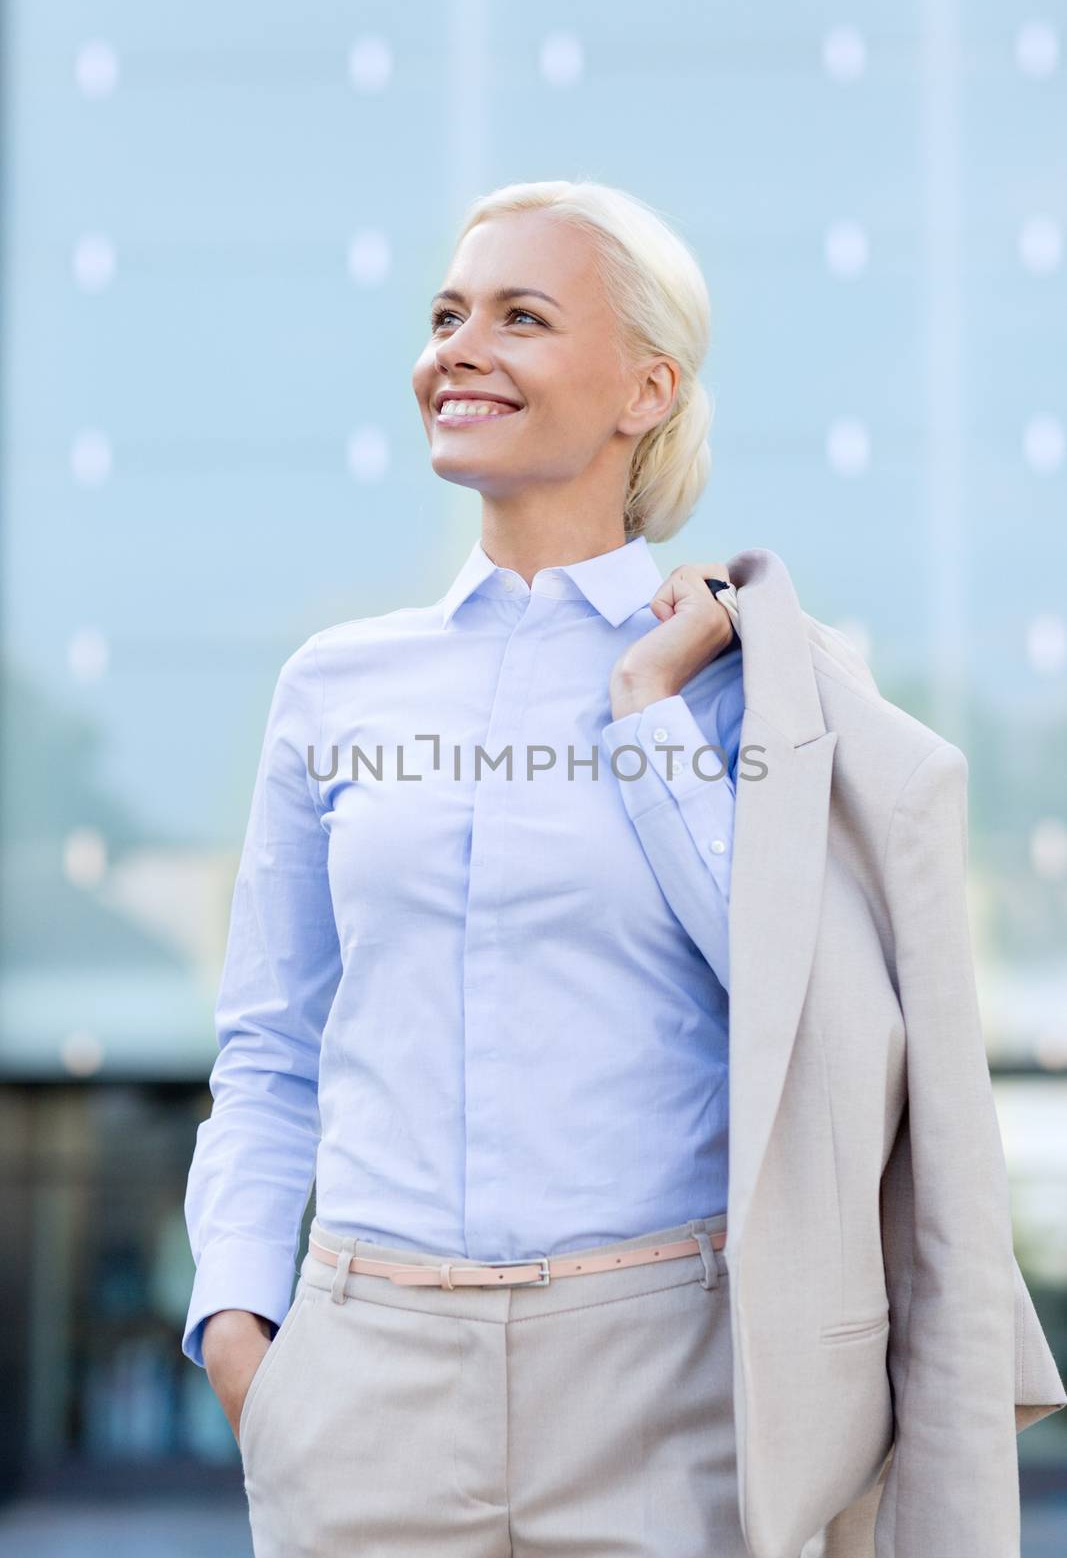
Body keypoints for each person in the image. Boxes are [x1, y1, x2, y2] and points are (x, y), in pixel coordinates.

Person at [181, 179, 1065, 1558]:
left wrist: (651, 711)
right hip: (366, 1388)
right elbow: (269, 1052)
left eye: (521, 317)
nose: (459, 349)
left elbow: (810, 1026)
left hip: (675, 1389)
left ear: (646, 388)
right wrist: (245, 1336)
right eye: (447, 315)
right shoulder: (334, 688)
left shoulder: (756, 690)